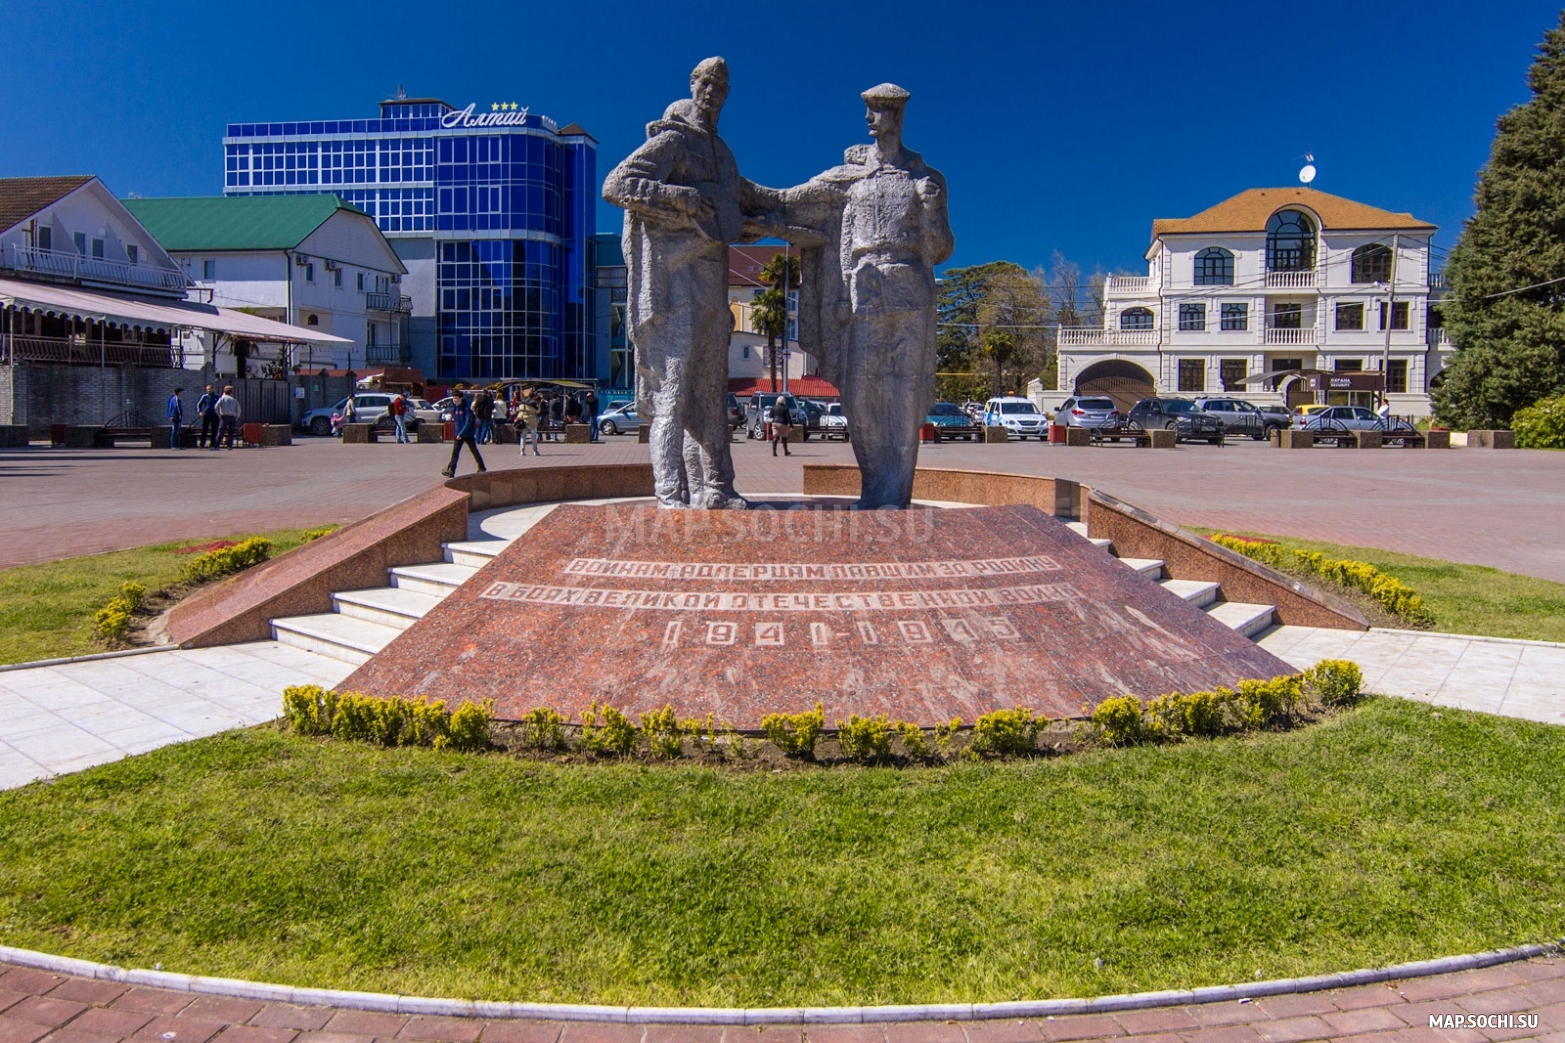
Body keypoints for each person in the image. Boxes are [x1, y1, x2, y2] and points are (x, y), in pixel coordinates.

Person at [602, 56, 777, 509]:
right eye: (707, 82)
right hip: (675, 286)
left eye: (722, 84)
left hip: (713, 292)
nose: (713, 91)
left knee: (709, 398)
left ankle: (716, 488)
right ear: (693, 84)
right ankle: (670, 494)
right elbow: (617, 183)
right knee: (674, 395)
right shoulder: (674, 139)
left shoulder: (723, 154)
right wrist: (677, 196)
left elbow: (752, 199)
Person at [782, 82, 953, 508]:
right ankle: (875, 482)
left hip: (910, 289)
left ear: (895, 116)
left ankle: (895, 492)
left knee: (903, 395)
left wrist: (930, 213)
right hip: (863, 290)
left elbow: (942, 248)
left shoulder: (926, 178)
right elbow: (826, 226)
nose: (868, 119)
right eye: (868, 110)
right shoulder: (853, 178)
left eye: (876, 110)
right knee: (859, 396)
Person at [441, 389, 486, 477]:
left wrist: (461, 434)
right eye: (453, 398)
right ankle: (451, 470)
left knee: (474, 450)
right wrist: (457, 433)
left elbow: (468, 422)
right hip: (458, 434)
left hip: (467, 433)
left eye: (456, 398)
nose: (454, 400)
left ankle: (481, 467)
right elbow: (457, 421)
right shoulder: (455, 407)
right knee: (455, 452)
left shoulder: (466, 408)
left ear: (461, 398)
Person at [214, 385, 242, 449]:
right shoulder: (234, 400)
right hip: (232, 416)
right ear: (231, 393)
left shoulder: (222, 399)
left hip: (224, 416)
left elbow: (216, 407)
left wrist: (219, 414)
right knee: (231, 432)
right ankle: (229, 445)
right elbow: (239, 410)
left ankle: (216, 445)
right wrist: (236, 417)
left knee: (221, 431)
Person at [517, 392, 542, 456]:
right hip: (532, 420)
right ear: (533, 397)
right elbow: (538, 411)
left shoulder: (523, 403)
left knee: (523, 436)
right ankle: (535, 451)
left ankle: (522, 451)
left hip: (524, 420)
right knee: (533, 436)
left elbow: (520, 411)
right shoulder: (534, 403)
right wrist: (539, 405)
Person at [194, 384, 217, 448]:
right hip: (206, 415)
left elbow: (220, 405)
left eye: (209, 389)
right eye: (207, 389)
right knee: (204, 430)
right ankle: (202, 444)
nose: (208, 390)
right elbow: (199, 404)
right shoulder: (204, 397)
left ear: (213, 389)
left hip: (215, 415)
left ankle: (212, 444)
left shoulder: (217, 397)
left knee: (214, 430)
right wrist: (200, 411)